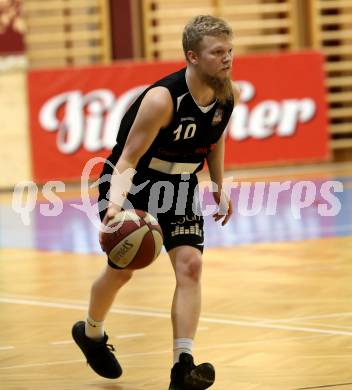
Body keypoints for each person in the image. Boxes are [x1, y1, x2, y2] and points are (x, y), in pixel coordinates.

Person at [72, 14, 239, 390]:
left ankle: (183, 365)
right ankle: (91, 332)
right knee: (123, 270)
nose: (227, 59)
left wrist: (217, 183)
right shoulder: (163, 99)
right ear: (192, 57)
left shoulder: (227, 93)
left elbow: (215, 137)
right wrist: (115, 206)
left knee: (191, 265)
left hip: (180, 184)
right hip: (135, 182)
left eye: (229, 51)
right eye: (217, 52)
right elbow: (128, 158)